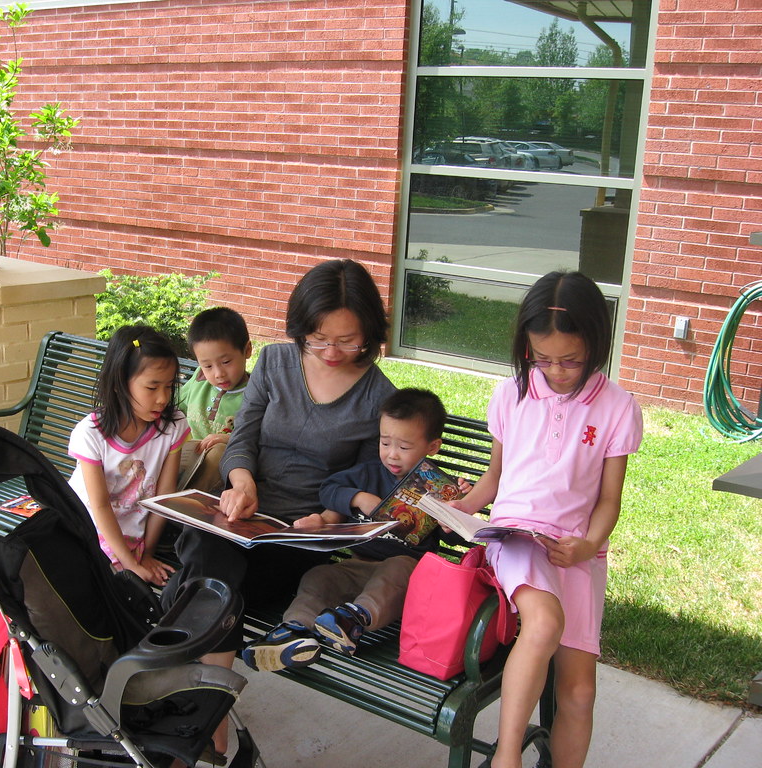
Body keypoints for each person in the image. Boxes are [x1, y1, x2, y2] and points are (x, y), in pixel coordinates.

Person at [160, 258, 396, 760]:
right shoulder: (275, 362)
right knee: (212, 552)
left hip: (298, 536)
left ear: (370, 333)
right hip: (242, 512)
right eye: (318, 338)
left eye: (347, 340)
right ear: (300, 330)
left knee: (209, 581)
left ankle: (197, 712)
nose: (331, 352)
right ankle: (212, 716)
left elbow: (357, 485)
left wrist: (329, 519)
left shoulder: (379, 398)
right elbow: (242, 436)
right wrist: (241, 481)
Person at [448, 271, 643, 768]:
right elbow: (493, 479)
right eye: (543, 358)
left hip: (577, 551)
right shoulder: (510, 394)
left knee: (579, 691)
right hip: (517, 539)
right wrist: (461, 508)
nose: (556, 370)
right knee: (544, 622)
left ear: (596, 342)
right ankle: (506, 756)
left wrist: (589, 543)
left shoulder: (619, 407)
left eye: (571, 359)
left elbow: (609, 499)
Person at [241, 387, 472, 672]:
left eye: (404, 446)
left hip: (406, 574)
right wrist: (358, 497)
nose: (392, 455)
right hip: (357, 565)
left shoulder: (438, 489)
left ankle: (354, 621)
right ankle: (295, 631)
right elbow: (329, 489)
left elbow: (459, 535)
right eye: (385, 442)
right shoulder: (368, 473)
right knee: (320, 576)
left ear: (432, 447)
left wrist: (458, 506)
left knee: (398, 568)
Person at [67, 325, 189, 587]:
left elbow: (164, 497)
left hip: (135, 534)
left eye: (169, 387)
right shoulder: (91, 434)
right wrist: (131, 563)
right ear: (120, 384)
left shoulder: (173, 425)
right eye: (152, 387)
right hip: (87, 526)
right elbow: (98, 506)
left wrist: (146, 554)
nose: (163, 399)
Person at [176, 307, 252, 492]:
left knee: (218, 452)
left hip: (222, 473)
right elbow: (175, 406)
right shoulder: (199, 380)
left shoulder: (254, 394)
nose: (218, 374)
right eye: (207, 365)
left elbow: (261, 437)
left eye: (226, 362)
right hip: (187, 459)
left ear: (247, 350)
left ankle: (181, 507)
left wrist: (227, 439)